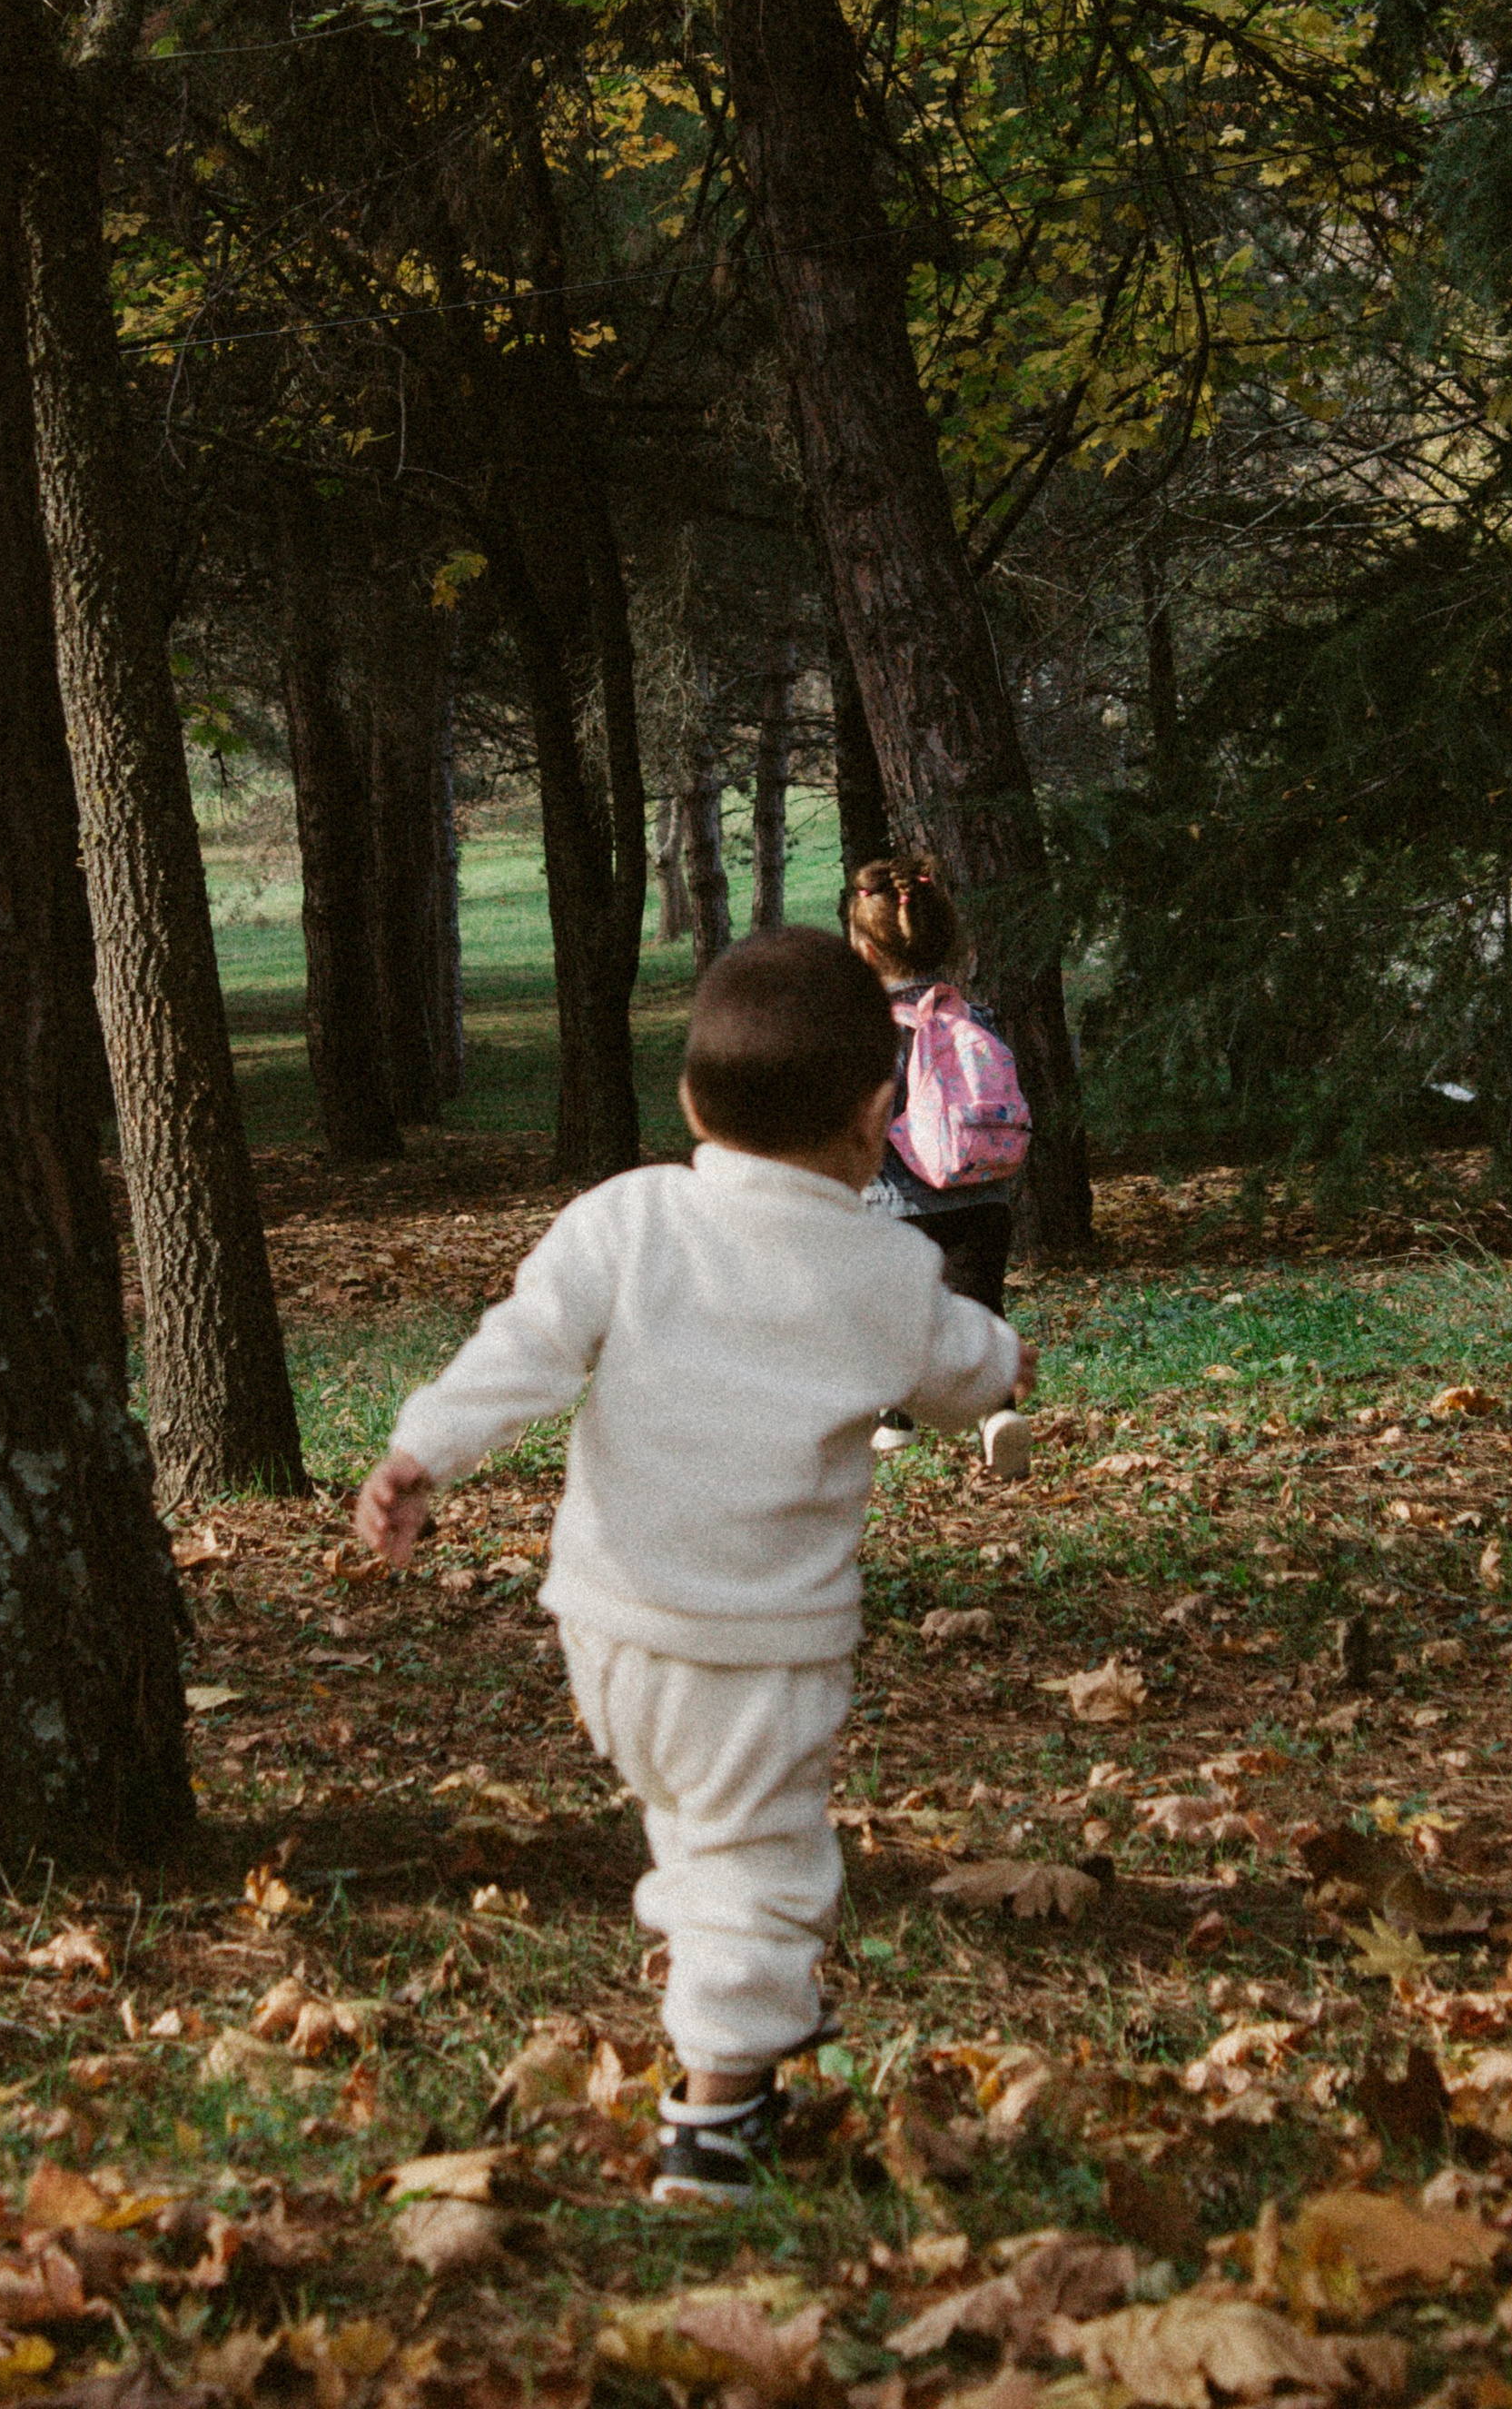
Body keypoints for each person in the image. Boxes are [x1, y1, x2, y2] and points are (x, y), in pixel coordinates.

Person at [352, 927, 1033, 2207]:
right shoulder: (886, 1267)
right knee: (761, 1869)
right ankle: (718, 2115)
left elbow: (524, 1345)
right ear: (877, 1117)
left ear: (687, 1100)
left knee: (698, 1828)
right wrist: (1007, 1365)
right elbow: (961, 1367)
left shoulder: (627, 1217)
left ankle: (735, 2008)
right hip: (757, 1649)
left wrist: (421, 1451)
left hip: (609, 1629)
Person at [844, 855, 1033, 1481]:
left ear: (865, 951)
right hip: (983, 1193)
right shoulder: (977, 1018)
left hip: (895, 1204)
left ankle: (894, 1417)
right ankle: (998, 1416)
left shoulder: (869, 1031)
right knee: (980, 1313)